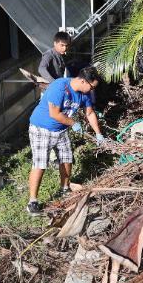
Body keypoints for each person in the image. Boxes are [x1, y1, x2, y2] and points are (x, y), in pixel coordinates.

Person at [26, 66, 105, 216]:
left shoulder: (84, 93)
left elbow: (89, 113)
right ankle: (33, 201)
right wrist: (73, 123)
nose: (92, 90)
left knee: (67, 160)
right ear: (83, 81)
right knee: (40, 164)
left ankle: (65, 188)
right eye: (91, 87)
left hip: (61, 129)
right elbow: (54, 114)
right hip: (41, 128)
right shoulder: (60, 86)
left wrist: (98, 134)